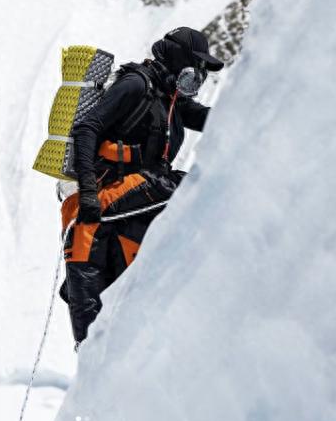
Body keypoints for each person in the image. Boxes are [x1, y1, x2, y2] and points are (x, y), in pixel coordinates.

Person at [59, 26, 224, 346]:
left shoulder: (171, 97)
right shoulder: (136, 85)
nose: (199, 76)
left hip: (141, 196)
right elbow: (86, 129)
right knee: (191, 186)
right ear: (179, 61)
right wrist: (90, 192)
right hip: (114, 191)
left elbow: (210, 119)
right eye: (197, 67)